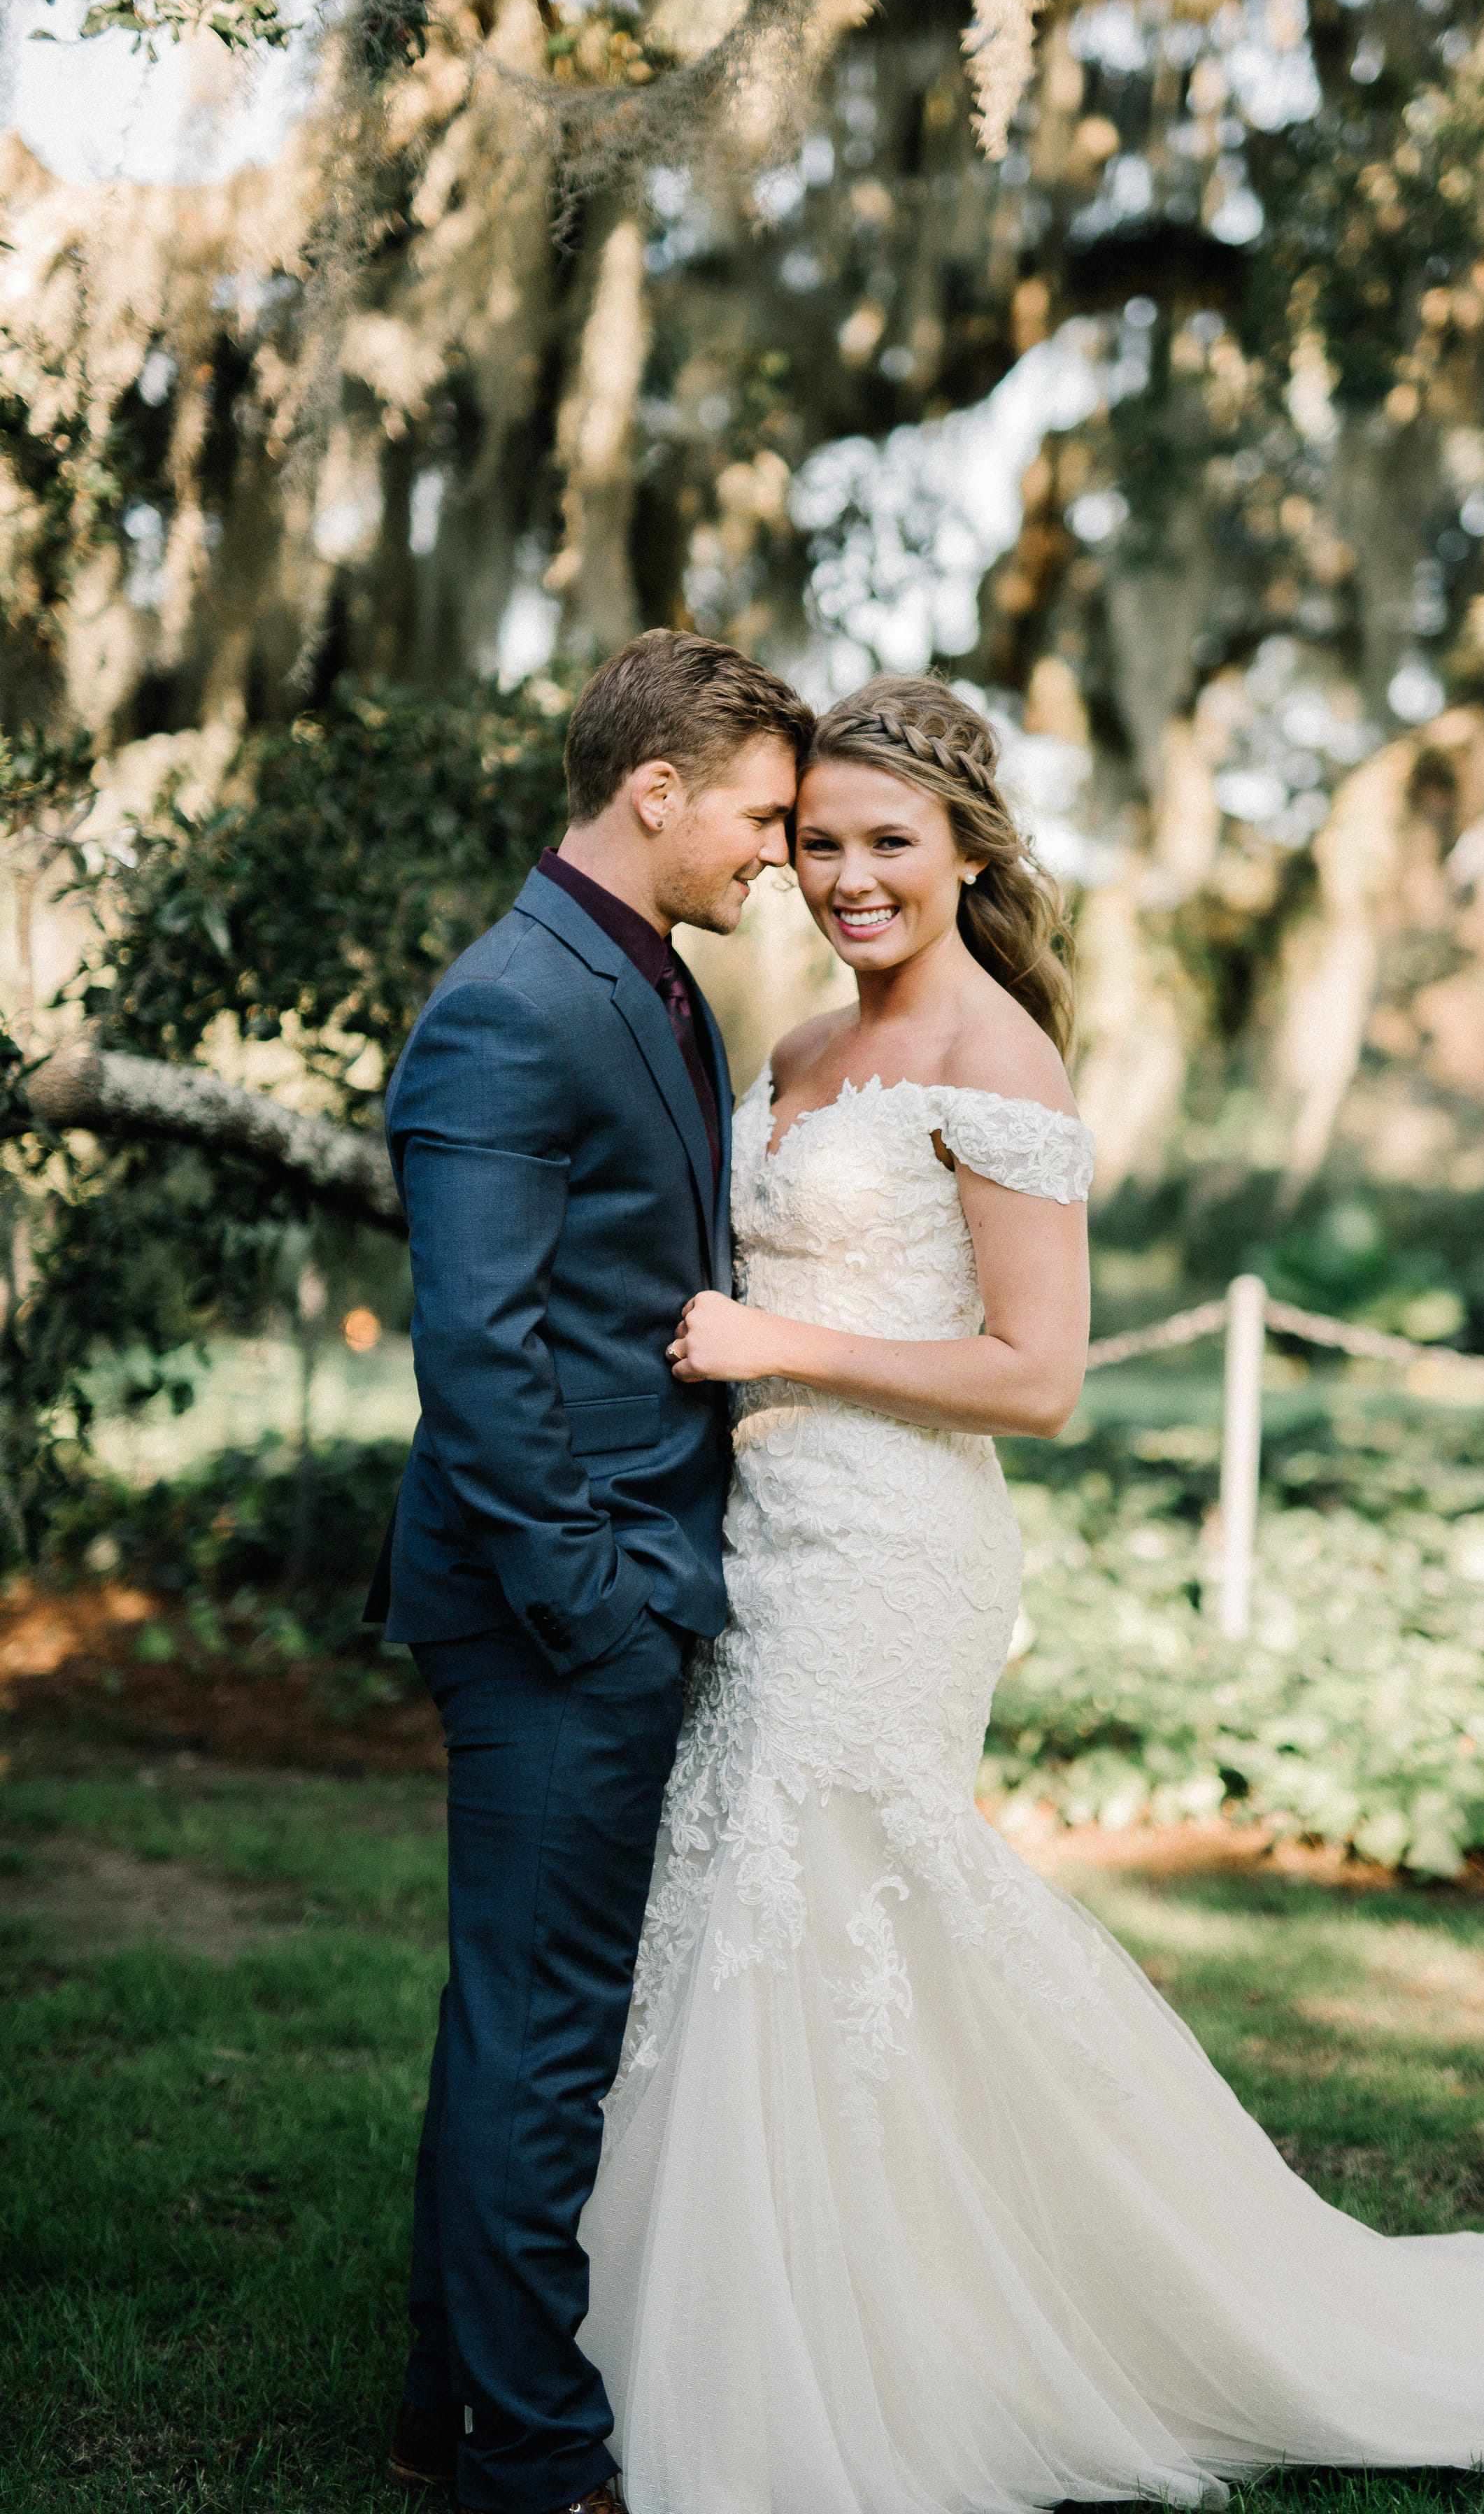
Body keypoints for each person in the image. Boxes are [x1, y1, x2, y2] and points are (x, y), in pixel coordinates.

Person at [576, 672, 1484, 2514]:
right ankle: (773, 2318)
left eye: (890, 842)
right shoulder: (792, 1050)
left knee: (825, 1893)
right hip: (762, 1539)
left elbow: (1039, 1375)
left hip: (894, 1555)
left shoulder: (1002, 1062)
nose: (849, 876)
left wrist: (776, 1342)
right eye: (819, 841)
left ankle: (883, 2362)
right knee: (757, 1906)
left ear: (967, 853)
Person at [369, 629, 813, 2514]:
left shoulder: (637, 971)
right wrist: (596, 1609)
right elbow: (480, 1356)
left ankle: (446, 2401)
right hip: (557, 1600)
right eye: (762, 818)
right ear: (656, 790)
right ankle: (536, 2456)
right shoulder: (511, 1004)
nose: (778, 855)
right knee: (544, 2034)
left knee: (521, 2015)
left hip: (608, 1578)